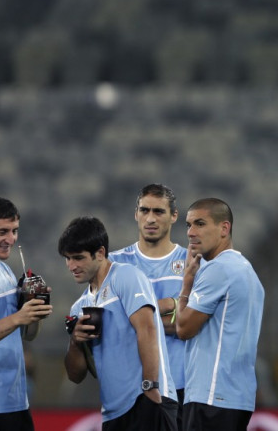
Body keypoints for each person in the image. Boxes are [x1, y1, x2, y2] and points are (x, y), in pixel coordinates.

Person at [60, 216, 178, 430]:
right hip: (112, 413)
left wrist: (150, 387)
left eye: (78, 257)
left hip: (146, 398)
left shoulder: (126, 276)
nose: (72, 266)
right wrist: (75, 342)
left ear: (101, 253)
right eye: (67, 258)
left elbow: (148, 329)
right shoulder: (78, 308)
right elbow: (76, 376)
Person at [176, 198, 265, 431]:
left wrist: (187, 282)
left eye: (200, 224)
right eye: (188, 225)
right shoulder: (247, 271)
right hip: (237, 397)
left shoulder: (218, 269)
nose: (191, 232)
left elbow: (183, 328)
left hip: (211, 395)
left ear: (224, 228)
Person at [0, 196, 53, 431]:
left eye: (14, 231)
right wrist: (18, 317)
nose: (11, 239)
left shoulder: (5, 270)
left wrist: (34, 309)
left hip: (15, 398)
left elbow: (28, 334)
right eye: (2, 231)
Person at [109, 183, 189, 428]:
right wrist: (170, 306)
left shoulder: (192, 262)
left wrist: (137, 319)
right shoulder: (114, 263)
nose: (150, 218)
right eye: (144, 211)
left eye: (159, 211)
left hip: (181, 385)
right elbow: (110, 325)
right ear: (136, 214)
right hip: (129, 388)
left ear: (174, 216)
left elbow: (192, 323)